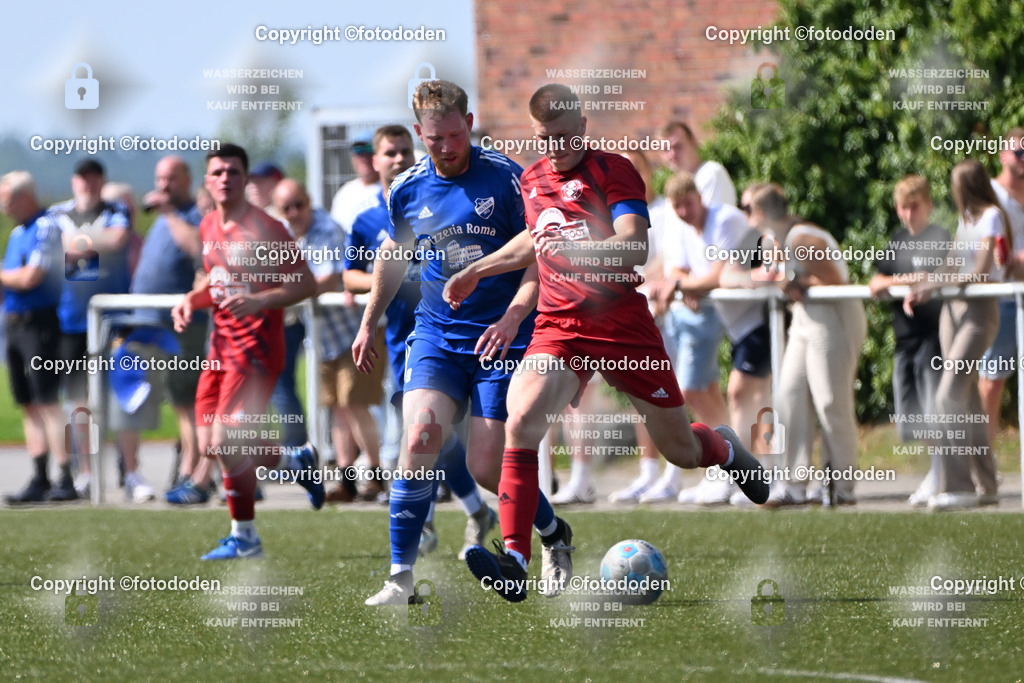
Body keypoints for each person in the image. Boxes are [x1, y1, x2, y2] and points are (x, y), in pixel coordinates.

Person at [445, 84, 768, 603]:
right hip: (559, 327)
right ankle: (516, 559)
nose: (555, 148)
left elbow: (634, 245)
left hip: (621, 325)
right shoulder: (531, 179)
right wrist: (478, 269)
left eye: (564, 137)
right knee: (521, 421)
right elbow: (534, 239)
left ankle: (724, 447)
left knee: (681, 450)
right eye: (545, 139)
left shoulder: (613, 170)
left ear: (583, 126)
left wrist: (578, 251)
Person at [353, 80, 571, 605]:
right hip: (437, 335)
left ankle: (553, 533)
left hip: (502, 337)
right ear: (418, 133)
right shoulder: (405, 188)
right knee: (419, 439)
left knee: (487, 466)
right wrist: (368, 321)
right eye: (435, 139)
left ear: (469, 124)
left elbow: (537, 256)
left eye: (455, 135)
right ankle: (400, 577)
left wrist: (514, 317)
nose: (447, 147)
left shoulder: (507, 177)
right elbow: (393, 255)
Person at [345, 124, 499, 555]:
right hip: (401, 339)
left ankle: (434, 521)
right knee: (430, 432)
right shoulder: (368, 220)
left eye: (403, 151)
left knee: (430, 431)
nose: (397, 159)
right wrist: (384, 278)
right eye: (389, 152)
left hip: (448, 333)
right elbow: (350, 274)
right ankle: (471, 510)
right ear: (374, 161)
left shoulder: (431, 199)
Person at [171, 143, 323, 560]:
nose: (225, 179)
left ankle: (245, 538)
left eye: (233, 172)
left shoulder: (266, 228)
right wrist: (190, 300)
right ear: (207, 180)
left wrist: (260, 300)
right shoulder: (207, 225)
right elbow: (216, 280)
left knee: (226, 440)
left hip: (255, 349)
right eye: (218, 172)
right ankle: (294, 463)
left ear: (244, 178)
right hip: (219, 347)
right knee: (211, 445)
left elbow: (306, 283)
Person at [750, 184, 866, 507]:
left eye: (748, 210)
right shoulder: (777, 240)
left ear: (761, 213)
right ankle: (793, 485)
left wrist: (796, 280)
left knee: (830, 401)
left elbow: (836, 280)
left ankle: (840, 487)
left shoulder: (801, 239)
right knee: (788, 395)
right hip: (805, 319)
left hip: (833, 317)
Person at [270, 178, 386, 502]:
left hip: (356, 331)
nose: (294, 212)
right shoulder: (283, 234)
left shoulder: (327, 229)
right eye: (287, 208)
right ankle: (347, 482)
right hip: (323, 337)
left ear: (309, 201)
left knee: (355, 405)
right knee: (336, 408)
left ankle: (376, 477)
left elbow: (326, 279)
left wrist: (278, 295)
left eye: (299, 204)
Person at [661, 172, 772, 507]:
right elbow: (676, 271)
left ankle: (753, 472)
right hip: (737, 326)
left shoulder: (724, 220)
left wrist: (684, 285)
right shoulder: (686, 228)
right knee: (742, 396)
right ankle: (737, 471)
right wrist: (686, 283)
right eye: (677, 207)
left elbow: (716, 276)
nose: (684, 212)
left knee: (744, 394)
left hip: (760, 318)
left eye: (688, 203)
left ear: (700, 197)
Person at [905, 160, 1010, 510]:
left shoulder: (992, 217)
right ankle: (987, 483)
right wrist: (926, 283)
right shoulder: (967, 220)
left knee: (947, 395)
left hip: (979, 311)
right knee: (969, 400)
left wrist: (935, 284)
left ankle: (958, 486)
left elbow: (980, 271)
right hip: (953, 311)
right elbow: (951, 263)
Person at [51, 158, 133, 497]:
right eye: (82, 178)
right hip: (71, 320)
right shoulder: (57, 214)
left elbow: (117, 240)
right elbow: (52, 248)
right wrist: (92, 240)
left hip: (114, 320)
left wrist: (74, 241)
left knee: (123, 397)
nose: (88, 184)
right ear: (74, 182)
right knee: (78, 402)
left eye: (94, 178)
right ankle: (85, 472)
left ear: (102, 181)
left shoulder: (116, 210)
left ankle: (130, 471)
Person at [868, 175, 950, 507]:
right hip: (905, 339)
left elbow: (944, 272)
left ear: (928, 205)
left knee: (934, 408)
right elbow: (876, 282)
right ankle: (936, 471)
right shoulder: (898, 240)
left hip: (934, 336)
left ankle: (941, 474)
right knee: (912, 414)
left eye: (914, 206)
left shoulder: (939, 237)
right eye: (902, 207)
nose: (908, 214)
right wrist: (906, 279)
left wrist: (918, 281)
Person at [1, 171, 74, 503]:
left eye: (7, 199)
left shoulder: (45, 226)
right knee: (28, 403)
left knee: (47, 401)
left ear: (24, 197)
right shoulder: (17, 232)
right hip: (15, 323)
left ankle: (65, 476)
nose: (4, 207)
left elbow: (31, 276)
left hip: (39, 323)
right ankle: (40, 476)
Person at [978, 128, 1024, 469]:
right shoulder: (990, 196)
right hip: (1001, 298)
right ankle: (983, 466)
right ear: (1003, 156)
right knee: (992, 381)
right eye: (1019, 153)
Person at [657, 120, 737, 207]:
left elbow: (711, 215)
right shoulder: (674, 187)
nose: (672, 154)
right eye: (666, 149)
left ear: (693, 143)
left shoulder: (711, 174)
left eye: (677, 146)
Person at [330, 132, 382, 234]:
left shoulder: (389, 189)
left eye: (369, 150)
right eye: (358, 150)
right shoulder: (345, 192)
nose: (364, 157)